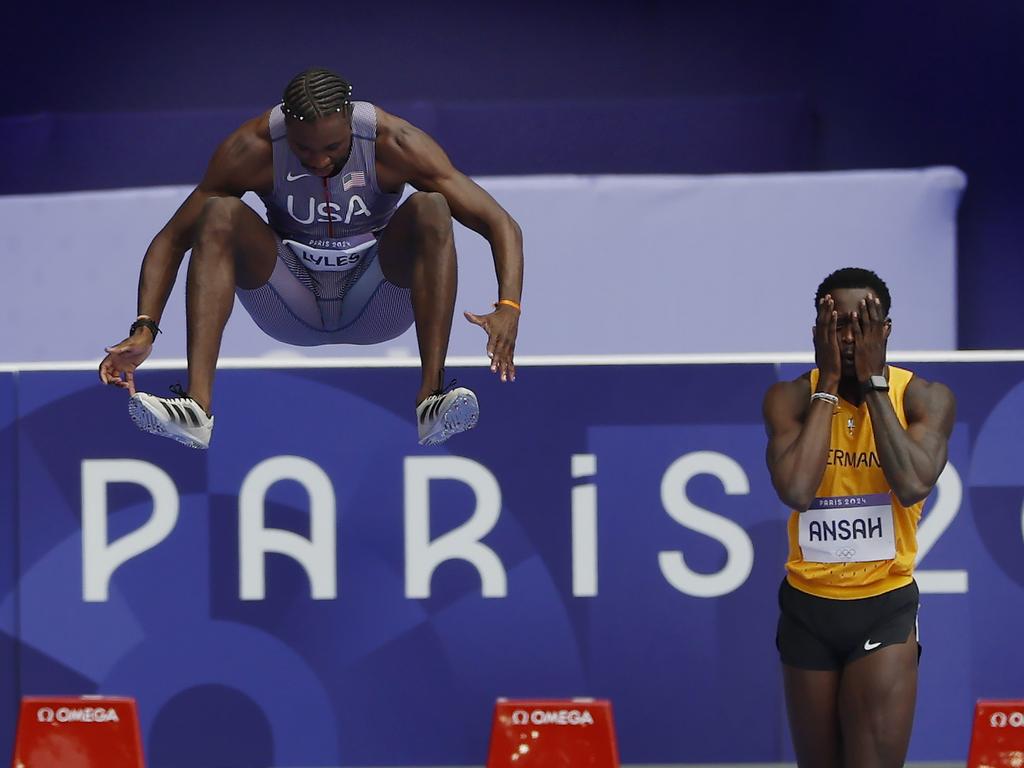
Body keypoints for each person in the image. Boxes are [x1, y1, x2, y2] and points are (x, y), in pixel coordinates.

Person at [98, 67, 523, 448]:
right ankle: (197, 409)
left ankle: (431, 399)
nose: (319, 160)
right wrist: (145, 327)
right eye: (305, 150)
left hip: (375, 297)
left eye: (333, 147)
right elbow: (171, 240)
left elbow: (501, 223)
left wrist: (508, 306)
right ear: (287, 131)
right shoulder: (253, 148)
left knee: (432, 206)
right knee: (218, 212)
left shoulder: (394, 143)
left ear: (350, 122)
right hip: (288, 298)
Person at [762, 267, 955, 768]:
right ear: (816, 333)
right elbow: (798, 491)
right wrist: (827, 384)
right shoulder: (789, 399)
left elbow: (912, 483)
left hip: (883, 605)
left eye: (863, 324)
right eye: (837, 325)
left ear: (886, 330)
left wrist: (873, 385)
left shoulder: (924, 398)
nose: (850, 338)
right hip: (808, 608)